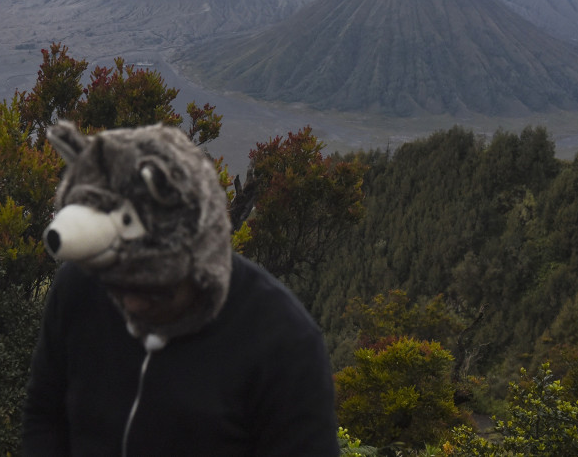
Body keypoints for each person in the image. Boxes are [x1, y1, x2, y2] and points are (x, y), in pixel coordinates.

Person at [22, 121, 340, 456]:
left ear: (198, 256)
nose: (132, 303)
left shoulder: (284, 342)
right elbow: (45, 414)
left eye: (154, 287)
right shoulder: (81, 284)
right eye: (118, 284)